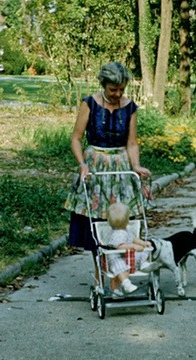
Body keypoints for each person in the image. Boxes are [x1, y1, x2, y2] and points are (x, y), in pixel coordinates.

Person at [63, 61, 152, 285]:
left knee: (121, 223)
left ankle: (121, 273)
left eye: (121, 89)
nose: (117, 93)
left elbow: (132, 143)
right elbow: (76, 138)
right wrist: (82, 164)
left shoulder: (130, 107)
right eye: (113, 89)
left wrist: (136, 166)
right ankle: (101, 276)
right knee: (97, 224)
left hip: (121, 169)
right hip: (96, 168)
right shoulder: (90, 104)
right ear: (104, 85)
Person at [105, 202, 157, 296]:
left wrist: (143, 243)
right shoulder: (117, 234)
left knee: (143, 252)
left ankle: (143, 264)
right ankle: (126, 283)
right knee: (120, 267)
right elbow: (120, 246)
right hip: (117, 257)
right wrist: (133, 246)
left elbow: (133, 238)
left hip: (128, 256)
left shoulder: (126, 230)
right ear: (127, 220)